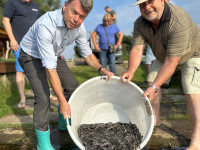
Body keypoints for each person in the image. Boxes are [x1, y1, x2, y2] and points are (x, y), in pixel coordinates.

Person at [18, 0, 114, 149]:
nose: (77, 19)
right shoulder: (46, 25)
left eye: (82, 16)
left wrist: (102, 69)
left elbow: (87, 54)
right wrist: (62, 100)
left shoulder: (79, 28)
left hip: (53, 53)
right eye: (74, 12)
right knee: (43, 97)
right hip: (30, 54)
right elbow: (50, 69)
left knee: (72, 86)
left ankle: (64, 119)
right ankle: (43, 144)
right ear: (65, 6)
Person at [121, 0, 200, 149]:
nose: (147, 7)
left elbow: (172, 61)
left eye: (150, 1)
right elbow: (137, 49)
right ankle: (155, 121)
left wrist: (156, 87)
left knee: (192, 91)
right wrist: (130, 70)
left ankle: (197, 140)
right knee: (151, 82)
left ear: (165, 1)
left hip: (193, 53)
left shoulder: (178, 20)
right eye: (142, 4)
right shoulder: (140, 23)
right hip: (164, 55)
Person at [2, 0, 40, 109]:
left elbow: (40, 24)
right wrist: (12, 40)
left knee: (40, 69)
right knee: (20, 70)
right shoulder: (12, 2)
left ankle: (42, 95)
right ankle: (23, 98)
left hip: (35, 44)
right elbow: (5, 20)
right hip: (19, 44)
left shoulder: (35, 5)